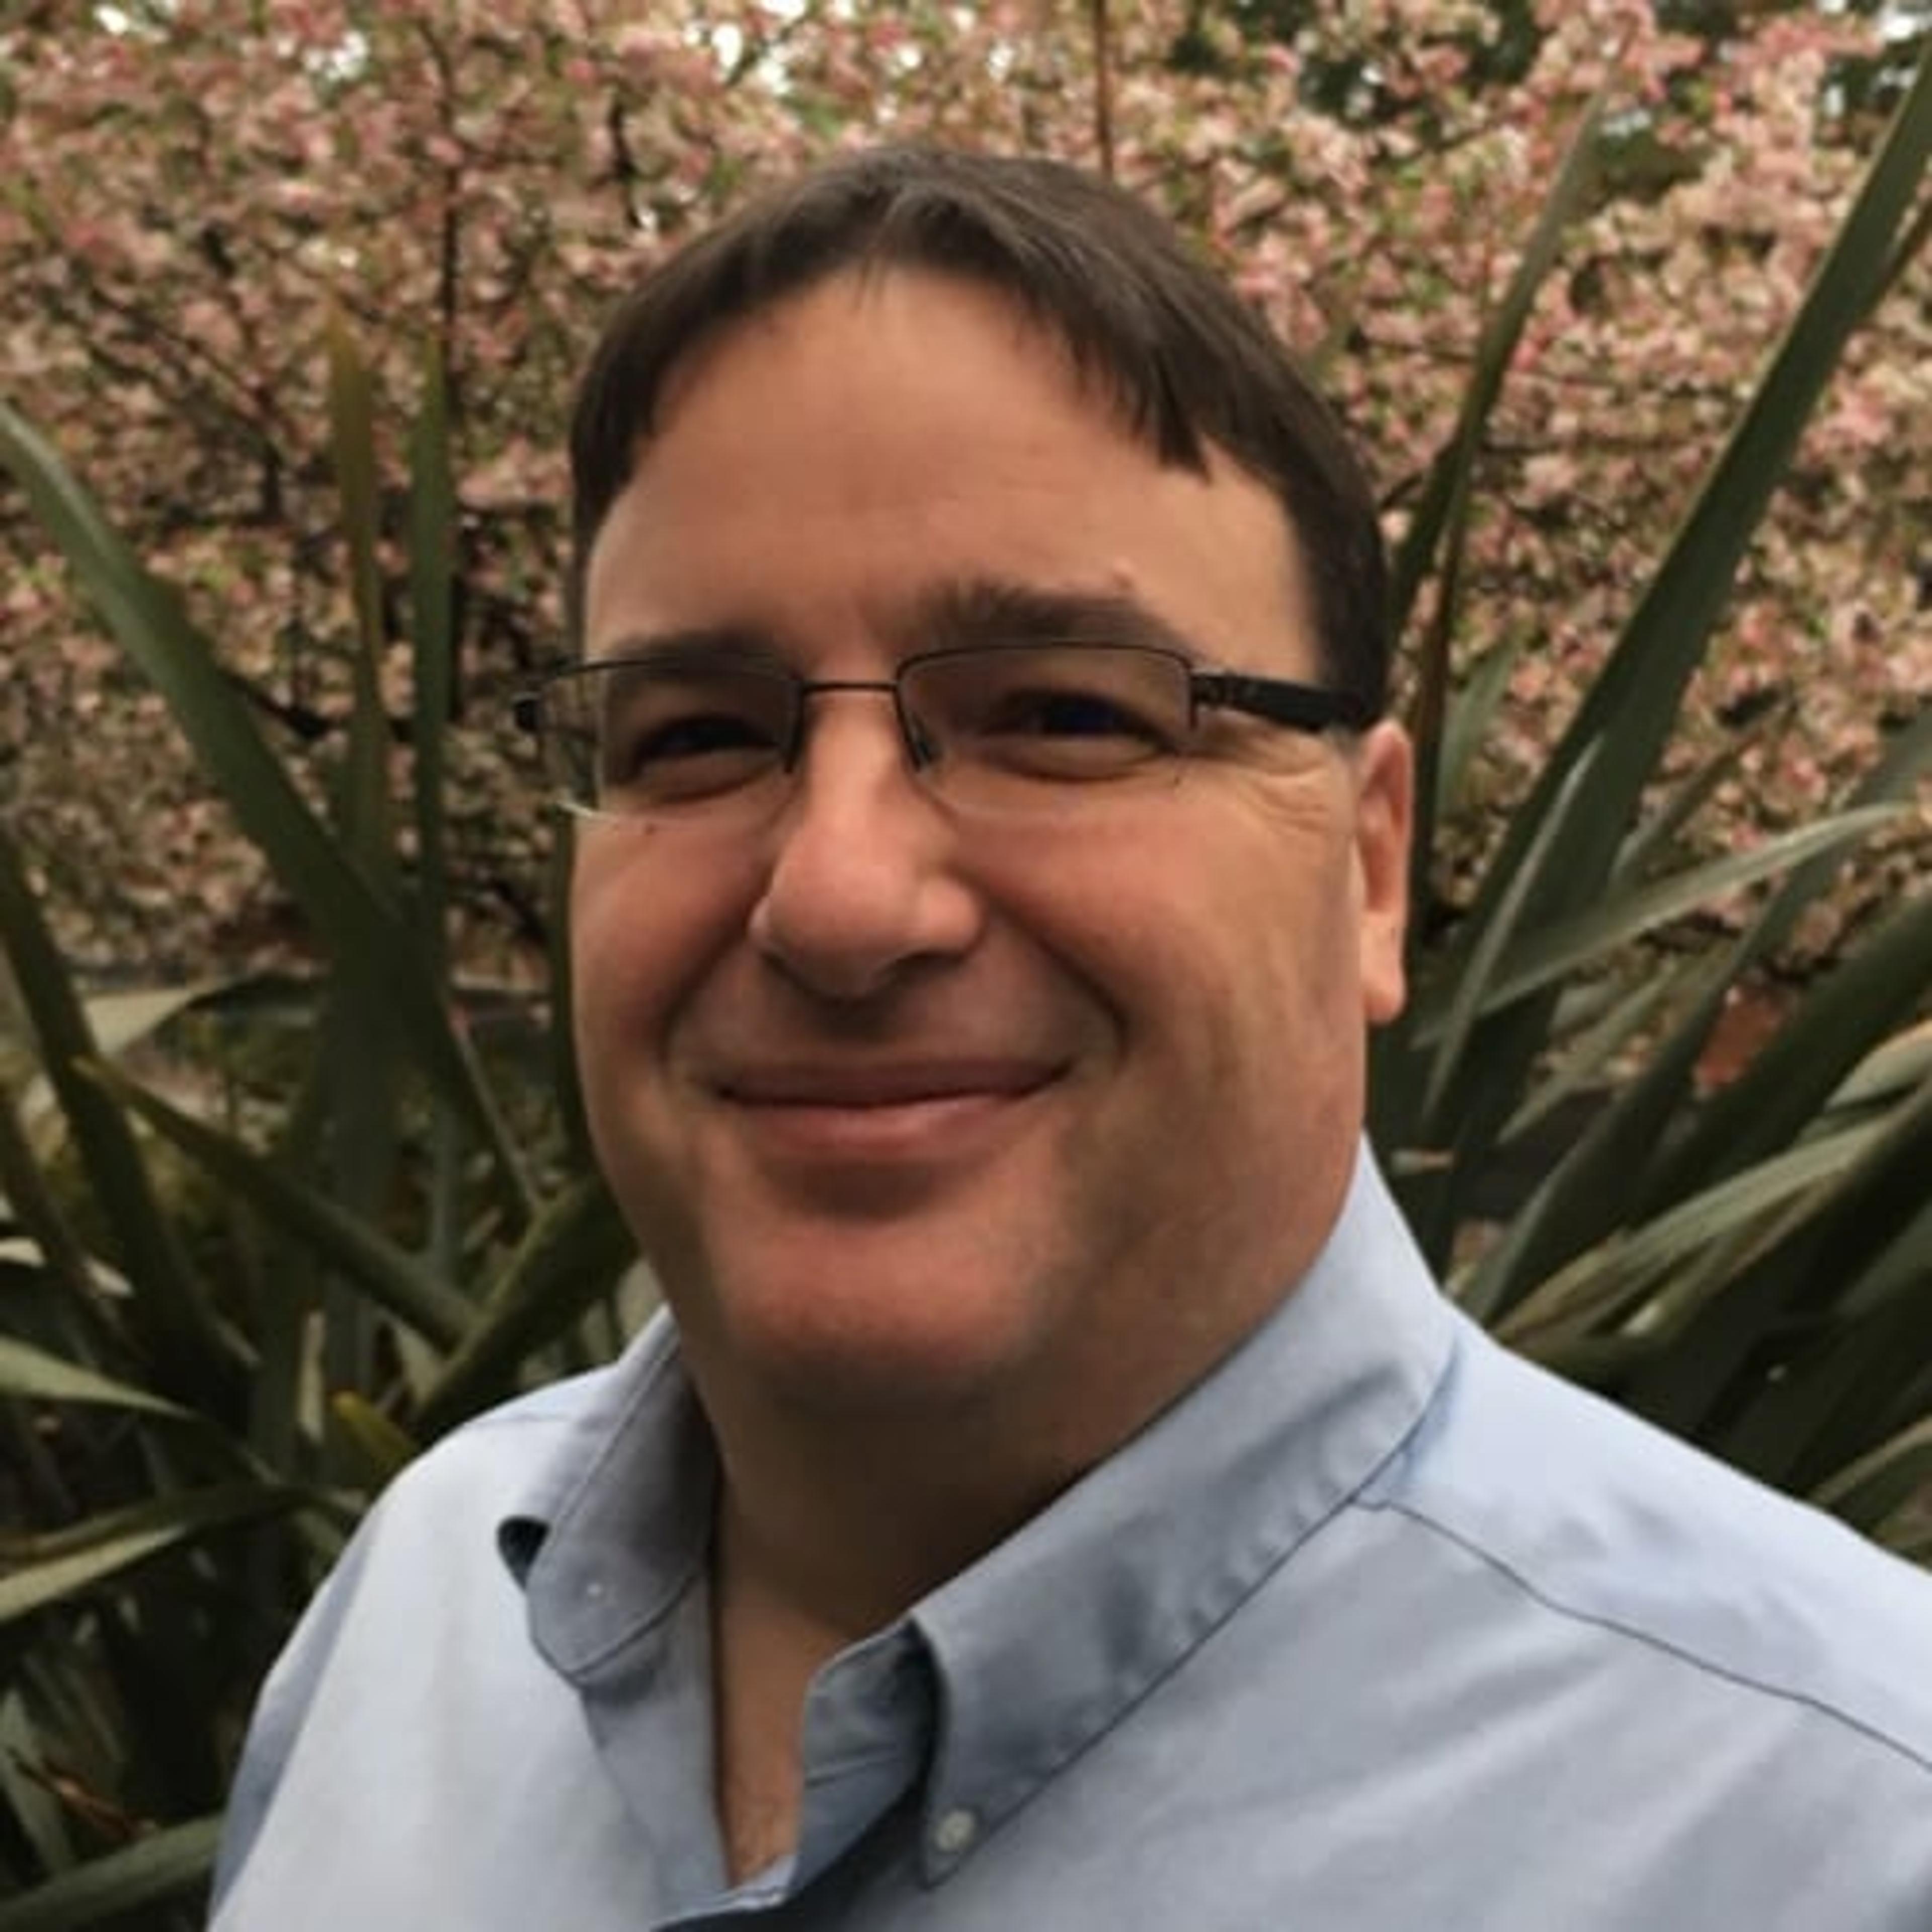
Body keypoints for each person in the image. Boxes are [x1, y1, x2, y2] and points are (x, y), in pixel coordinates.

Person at [210, 147, 1932, 1930]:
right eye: (697, 737)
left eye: (1064, 715)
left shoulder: (1851, 1838)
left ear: (1368, 871)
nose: (839, 898)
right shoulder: (420, 1617)